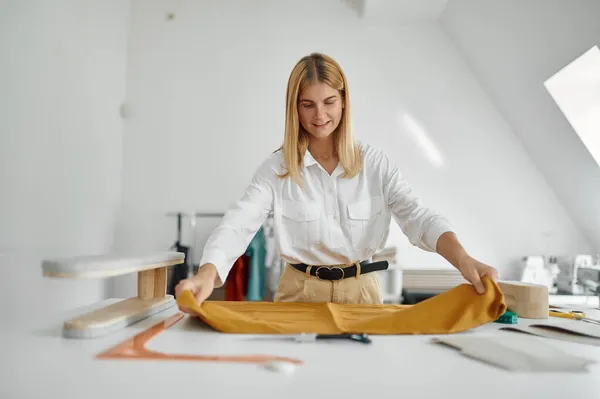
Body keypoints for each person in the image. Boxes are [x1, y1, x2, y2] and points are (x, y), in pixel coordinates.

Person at [176, 52, 499, 313]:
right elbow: (238, 224)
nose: (320, 115)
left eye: (329, 101)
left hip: (362, 294)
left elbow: (419, 217)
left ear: (344, 101)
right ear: (294, 108)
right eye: (308, 104)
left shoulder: (375, 164)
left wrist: (463, 258)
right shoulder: (276, 169)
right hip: (298, 294)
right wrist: (207, 273)